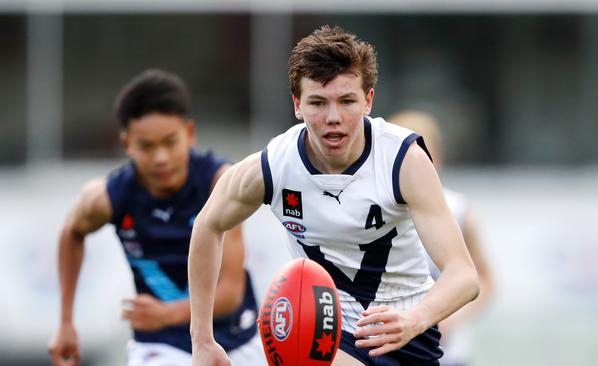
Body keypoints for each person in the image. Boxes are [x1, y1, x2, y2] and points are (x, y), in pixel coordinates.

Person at [188, 25, 479, 366]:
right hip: (325, 329)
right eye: (317, 103)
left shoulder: (403, 160)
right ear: (297, 104)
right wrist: (202, 338)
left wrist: (414, 320)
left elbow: (464, 276)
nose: (333, 118)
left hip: (403, 332)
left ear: (368, 100)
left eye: (347, 101)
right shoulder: (273, 166)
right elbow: (207, 225)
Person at [48, 69, 265, 366]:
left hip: (235, 340)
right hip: (161, 343)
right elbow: (72, 231)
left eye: (169, 142)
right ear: (127, 144)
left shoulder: (220, 184)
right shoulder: (109, 197)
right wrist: (65, 322)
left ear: (189, 133)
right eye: (147, 147)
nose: (160, 157)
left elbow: (229, 294)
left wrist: (166, 312)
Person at [390, 110, 493, 366]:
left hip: (449, 354)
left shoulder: (458, 209)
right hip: (391, 352)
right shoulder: (374, 211)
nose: (416, 163)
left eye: (425, 154)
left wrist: (449, 318)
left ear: (439, 157)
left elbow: (484, 280)